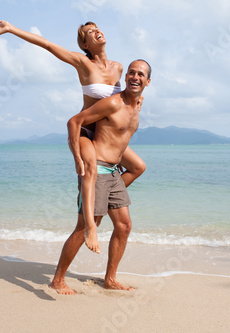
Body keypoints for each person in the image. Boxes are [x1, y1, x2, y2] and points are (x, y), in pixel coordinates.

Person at [0, 20, 146, 254]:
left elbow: (125, 97)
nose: (96, 31)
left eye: (97, 28)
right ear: (85, 44)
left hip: (104, 134)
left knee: (138, 166)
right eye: (89, 32)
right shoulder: (82, 62)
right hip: (84, 132)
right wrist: (11, 29)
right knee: (90, 168)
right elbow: (48, 46)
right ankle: (91, 224)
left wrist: (139, 100)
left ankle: (103, 201)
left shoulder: (119, 68)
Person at [49, 59, 151, 295]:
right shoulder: (112, 103)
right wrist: (77, 156)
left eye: (141, 74)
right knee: (83, 226)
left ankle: (110, 279)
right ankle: (58, 279)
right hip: (99, 169)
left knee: (124, 226)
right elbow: (75, 121)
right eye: (131, 73)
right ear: (125, 77)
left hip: (115, 172)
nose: (135, 77)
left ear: (148, 81)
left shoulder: (137, 104)